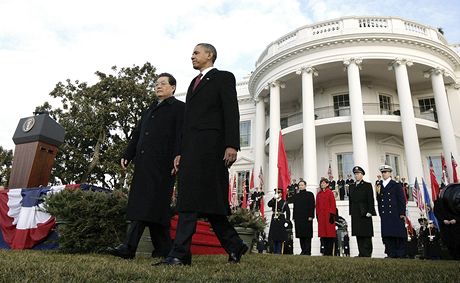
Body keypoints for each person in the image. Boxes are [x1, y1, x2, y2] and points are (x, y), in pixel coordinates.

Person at [158, 43, 247, 266]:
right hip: (190, 151)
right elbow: (187, 122)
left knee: (210, 203)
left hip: (212, 149)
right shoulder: (192, 84)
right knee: (194, 201)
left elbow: (231, 111)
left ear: (210, 55)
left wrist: (232, 145)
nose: (192, 56)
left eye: (196, 53)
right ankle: (232, 245)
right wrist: (179, 151)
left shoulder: (224, 77)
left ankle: (179, 254)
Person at [109, 73, 185, 259]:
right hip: (143, 164)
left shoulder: (180, 108)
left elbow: (181, 135)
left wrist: (178, 156)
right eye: (156, 84)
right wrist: (128, 154)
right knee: (155, 208)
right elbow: (137, 134)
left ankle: (128, 247)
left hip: (164, 164)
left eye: (163, 84)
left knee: (146, 205)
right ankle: (163, 249)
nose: (158, 86)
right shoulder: (149, 109)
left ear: (173, 87)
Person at [376, 164, 407, 258]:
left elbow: (401, 200)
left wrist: (402, 213)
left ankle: (399, 253)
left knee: (397, 234)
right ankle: (390, 253)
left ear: (390, 173)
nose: (384, 174)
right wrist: (380, 212)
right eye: (382, 172)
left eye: (385, 172)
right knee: (387, 235)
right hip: (385, 214)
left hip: (395, 213)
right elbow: (379, 200)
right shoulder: (379, 185)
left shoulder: (396, 185)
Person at [348, 166, 376, 257]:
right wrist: (351, 212)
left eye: (358, 174)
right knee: (358, 233)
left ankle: (367, 253)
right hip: (355, 213)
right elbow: (351, 201)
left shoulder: (367, 185)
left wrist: (370, 211)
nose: (356, 176)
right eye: (355, 174)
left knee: (366, 234)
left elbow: (370, 199)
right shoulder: (352, 186)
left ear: (362, 175)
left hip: (365, 212)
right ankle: (361, 252)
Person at [434, 188, 460, 260]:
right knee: (447, 241)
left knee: (457, 241)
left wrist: (456, 220)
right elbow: (437, 213)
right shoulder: (437, 202)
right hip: (445, 225)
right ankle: (451, 256)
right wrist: (443, 220)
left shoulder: (455, 199)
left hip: (457, 225)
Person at [292, 180, 315, 255]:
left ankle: (308, 251)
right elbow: (295, 207)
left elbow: (312, 206)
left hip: (307, 218)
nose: (301, 186)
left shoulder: (310, 194)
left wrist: (311, 216)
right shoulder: (296, 196)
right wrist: (294, 217)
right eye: (299, 185)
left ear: (305, 186)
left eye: (302, 185)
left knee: (307, 235)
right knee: (300, 235)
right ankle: (303, 250)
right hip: (298, 218)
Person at [316, 177, 337, 256]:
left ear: (327, 184)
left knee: (330, 235)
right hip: (321, 217)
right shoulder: (319, 194)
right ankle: (324, 251)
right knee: (323, 235)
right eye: (321, 183)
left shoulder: (330, 193)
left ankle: (330, 252)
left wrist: (332, 215)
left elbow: (333, 204)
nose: (322, 184)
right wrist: (317, 215)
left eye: (324, 183)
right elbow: (317, 205)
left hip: (329, 217)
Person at [268, 189, 291, 254]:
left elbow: (288, 212)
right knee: (274, 235)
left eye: (279, 193)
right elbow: (269, 204)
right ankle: (274, 250)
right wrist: (273, 198)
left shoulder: (284, 202)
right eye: (276, 193)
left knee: (280, 236)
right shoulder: (274, 201)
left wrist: (287, 221)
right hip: (274, 219)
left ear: (281, 194)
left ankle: (279, 251)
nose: (277, 194)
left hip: (281, 219)